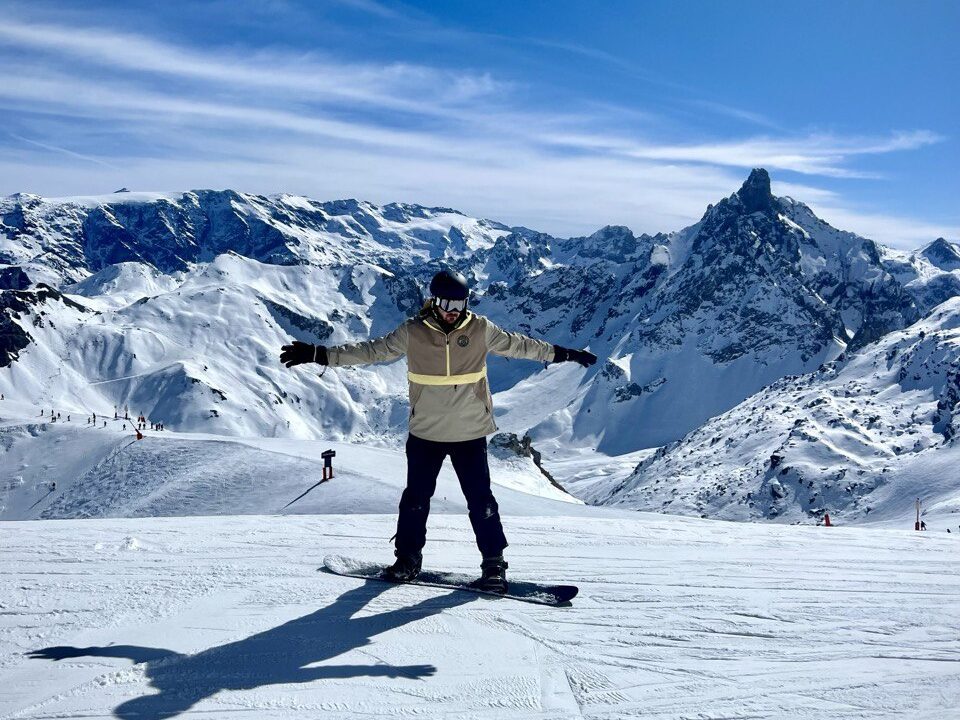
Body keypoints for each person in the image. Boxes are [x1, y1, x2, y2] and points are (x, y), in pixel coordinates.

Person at [280, 269, 596, 592]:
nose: (453, 311)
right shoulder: (413, 332)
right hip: (426, 433)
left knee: (481, 501)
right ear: (434, 300)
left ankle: (494, 566)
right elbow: (370, 351)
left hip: (469, 433)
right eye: (447, 303)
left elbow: (522, 347)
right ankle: (407, 560)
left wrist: (565, 354)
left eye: (460, 305)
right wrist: (320, 354)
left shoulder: (480, 330)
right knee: (415, 500)